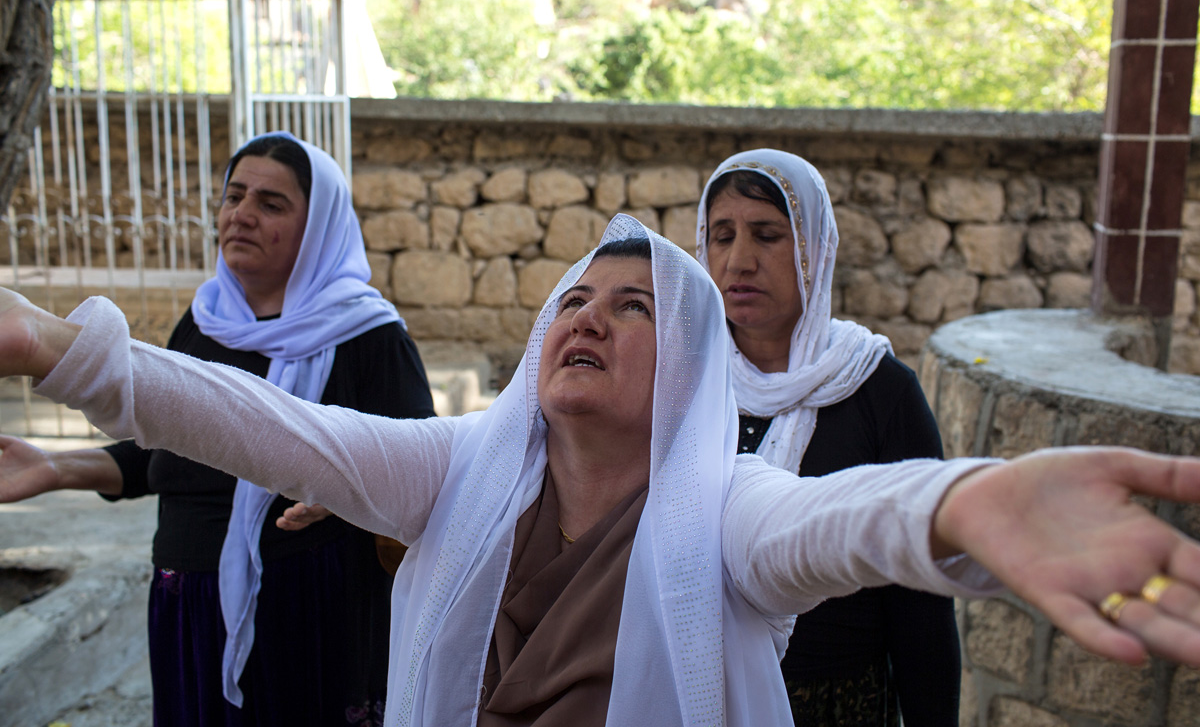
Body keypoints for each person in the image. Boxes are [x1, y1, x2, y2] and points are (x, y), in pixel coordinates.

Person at [3, 215, 1200, 727]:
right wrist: (62, 350)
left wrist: (963, 499)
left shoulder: (721, 512)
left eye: (634, 309)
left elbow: (835, 520)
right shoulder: (460, 470)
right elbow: (261, 424)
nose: (587, 317)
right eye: (573, 299)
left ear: (686, 369)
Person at [0, 132, 436, 727]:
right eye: (234, 196)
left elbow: (418, 473)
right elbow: (166, 451)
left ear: (319, 228)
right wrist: (54, 468)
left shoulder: (369, 338)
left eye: (271, 203)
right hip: (187, 601)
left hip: (307, 612)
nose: (242, 214)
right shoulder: (204, 324)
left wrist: (344, 495)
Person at [696, 149, 959, 725]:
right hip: (697, 690)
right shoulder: (682, 381)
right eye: (722, 236)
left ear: (816, 249)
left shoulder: (877, 389)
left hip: (837, 702)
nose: (739, 260)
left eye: (767, 235)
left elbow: (919, 594)